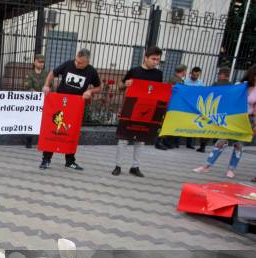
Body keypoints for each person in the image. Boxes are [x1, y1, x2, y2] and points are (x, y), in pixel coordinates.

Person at [39, 48, 102, 170]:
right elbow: (53, 73)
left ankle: (70, 161)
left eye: (80, 63)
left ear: (87, 62)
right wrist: (46, 85)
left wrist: (90, 91)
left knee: (72, 132)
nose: (77, 64)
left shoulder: (91, 71)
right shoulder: (68, 63)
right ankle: (46, 159)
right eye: (77, 61)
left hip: (76, 106)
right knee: (53, 129)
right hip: (60, 102)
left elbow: (99, 87)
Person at [112, 46, 163, 178]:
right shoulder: (134, 71)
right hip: (130, 108)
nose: (156, 62)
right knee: (123, 139)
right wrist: (126, 84)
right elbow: (120, 87)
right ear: (145, 58)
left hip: (148, 110)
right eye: (153, 59)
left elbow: (159, 92)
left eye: (158, 60)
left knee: (140, 140)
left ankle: (135, 167)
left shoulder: (158, 74)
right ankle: (118, 165)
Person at [194, 66, 255, 178]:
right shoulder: (240, 85)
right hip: (233, 117)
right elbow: (228, 99)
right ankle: (207, 166)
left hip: (248, 119)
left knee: (239, 145)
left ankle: (231, 169)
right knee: (221, 141)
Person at [159, 64, 187, 149]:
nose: (186, 72)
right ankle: (161, 142)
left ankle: (167, 142)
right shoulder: (175, 80)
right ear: (183, 71)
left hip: (174, 104)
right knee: (167, 123)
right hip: (171, 104)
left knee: (170, 123)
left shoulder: (177, 79)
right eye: (185, 70)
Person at [24, 54, 47, 148]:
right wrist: (36, 94)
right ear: (35, 62)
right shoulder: (30, 74)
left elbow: (50, 85)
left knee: (44, 121)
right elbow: (28, 86)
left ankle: (44, 140)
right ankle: (29, 140)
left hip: (44, 100)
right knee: (31, 120)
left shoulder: (46, 74)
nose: (41, 64)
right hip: (32, 101)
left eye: (42, 62)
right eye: (39, 62)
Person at [184, 66, 207, 151]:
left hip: (195, 106)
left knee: (192, 123)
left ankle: (189, 144)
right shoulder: (185, 82)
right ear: (191, 73)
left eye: (197, 75)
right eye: (194, 75)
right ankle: (176, 142)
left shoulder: (200, 83)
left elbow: (203, 93)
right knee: (183, 122)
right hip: (186, 105)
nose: (195, 77)